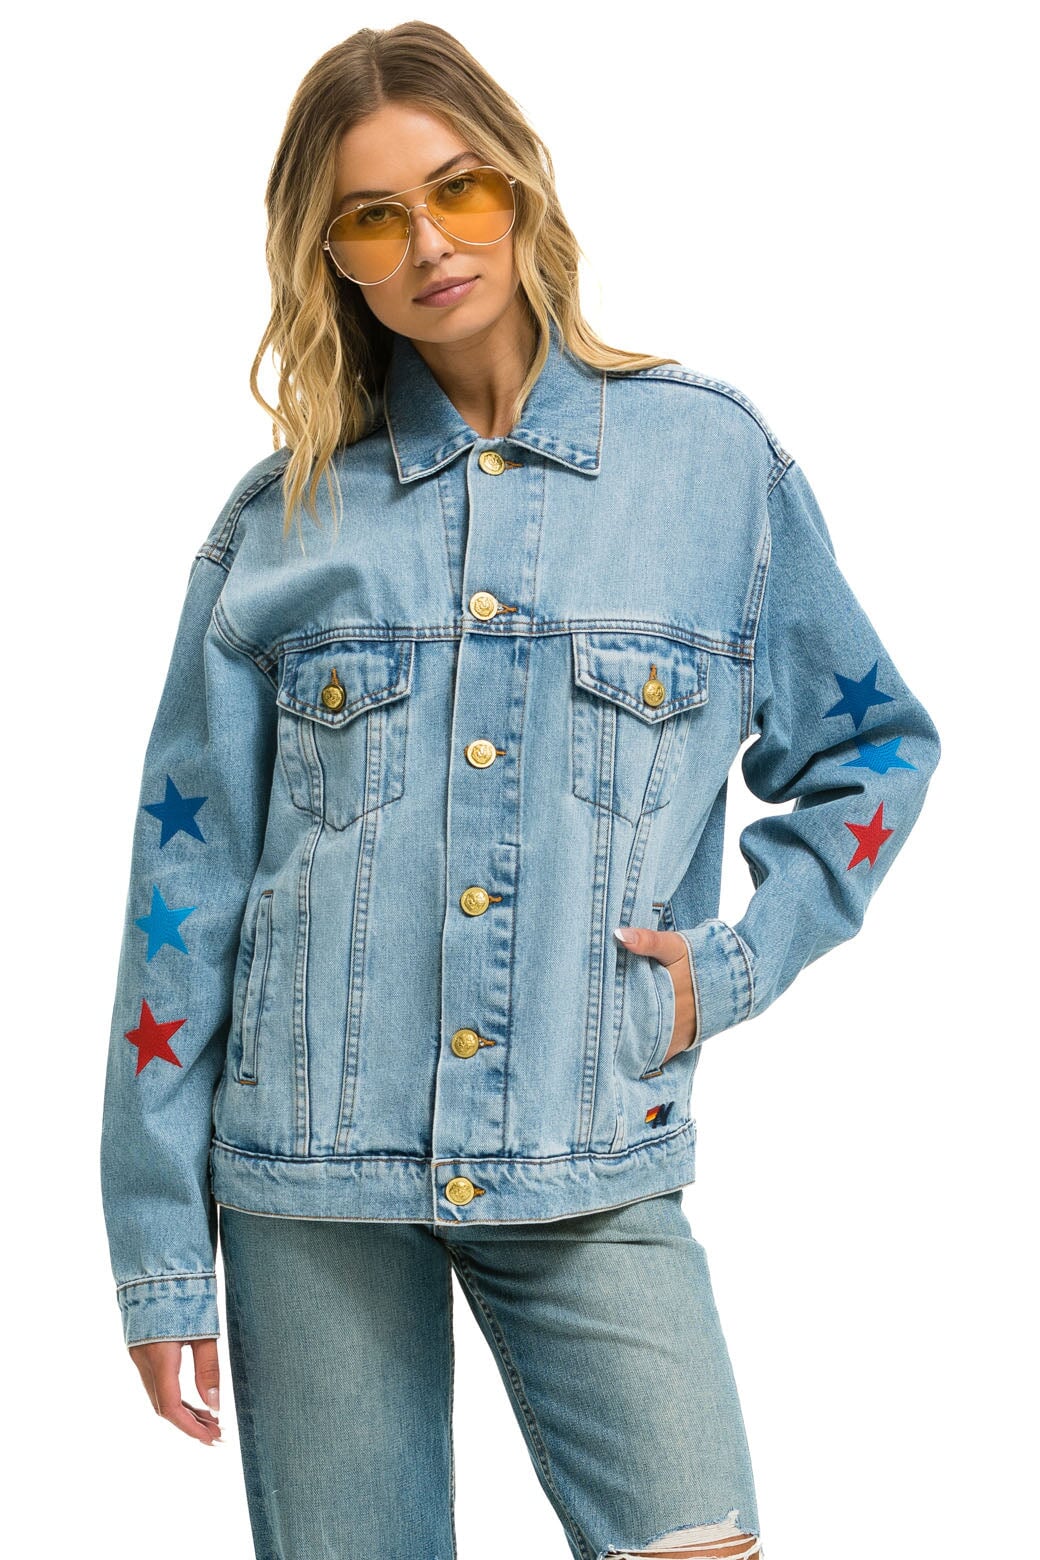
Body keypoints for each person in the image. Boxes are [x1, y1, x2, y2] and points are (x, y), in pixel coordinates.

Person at [99, 21, 941, 1560]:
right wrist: (159, 1247)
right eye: (373, 217)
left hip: (590, 1149)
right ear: (330, 259)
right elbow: (184, 894)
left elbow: (874, 749)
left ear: (521, 189)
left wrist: (730, 969)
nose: (430, 244)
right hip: (311, 1174)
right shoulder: (280, 525)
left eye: (459, 189)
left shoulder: (710, 465)